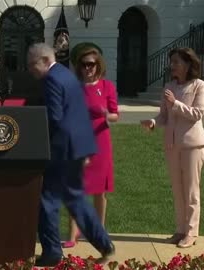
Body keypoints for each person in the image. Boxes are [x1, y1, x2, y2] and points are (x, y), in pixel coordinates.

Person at [27, 43, 115, 266]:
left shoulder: (51, 79)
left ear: (45, 61)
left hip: (61, 149)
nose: (31, 70)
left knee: (48, 201)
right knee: (75, 198)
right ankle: (105, 244)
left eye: (32, 65)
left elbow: (54, 117)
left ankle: (52, 252)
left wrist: (35, 134)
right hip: (78, 146)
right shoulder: (66, 75)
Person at [140, 47, 204, 248]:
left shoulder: (199, 86)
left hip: (192, 145)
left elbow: (197, 113)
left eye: (176, 62)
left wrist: (175, 103)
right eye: (172, 62)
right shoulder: (169, 86)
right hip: (171, 145)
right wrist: (153, 122)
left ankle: (192, 232)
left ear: (188, 64)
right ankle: (180, 230)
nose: (173, 66)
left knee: (191, 190)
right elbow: (164, 115)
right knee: (177, 189)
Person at [63, 47, 119, 248]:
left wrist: (106, 114)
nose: (88, 68)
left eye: (91, 64)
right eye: (84, 64)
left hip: (101, 140)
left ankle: (98, 231)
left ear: (98, 66)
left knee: (100, 191)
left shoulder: (107, 87)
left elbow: (115, 114)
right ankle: (72, 234)